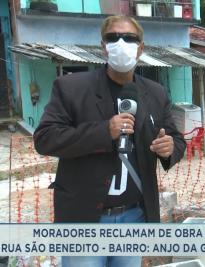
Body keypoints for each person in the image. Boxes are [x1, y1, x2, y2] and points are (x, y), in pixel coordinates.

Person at [33, 15, 186, 267]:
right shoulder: (71, 88)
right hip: (85, 219)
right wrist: (104, 131)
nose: (121, 43)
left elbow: (176, 140)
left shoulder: (155, 93)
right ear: (103, 46)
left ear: (141, 47)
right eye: (113, 37)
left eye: (129, 38)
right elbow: (45, 138)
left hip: (133, 217)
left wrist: (169, 148)